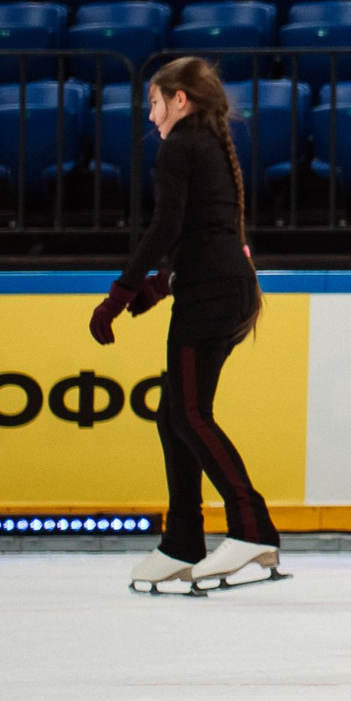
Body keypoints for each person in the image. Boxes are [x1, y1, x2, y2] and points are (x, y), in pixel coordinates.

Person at [94, 57, 282, 597]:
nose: (150, 117)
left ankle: (251, 527)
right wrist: (159, 286)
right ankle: (182, 542)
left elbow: (167, 225)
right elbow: (205, 230)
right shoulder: (209, 144)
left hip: (210, 295)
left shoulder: (181, 145)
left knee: (192, 414)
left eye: (153, 103)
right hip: (222, 287)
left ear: (180, 100)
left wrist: (121, 292)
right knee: (173, 414)